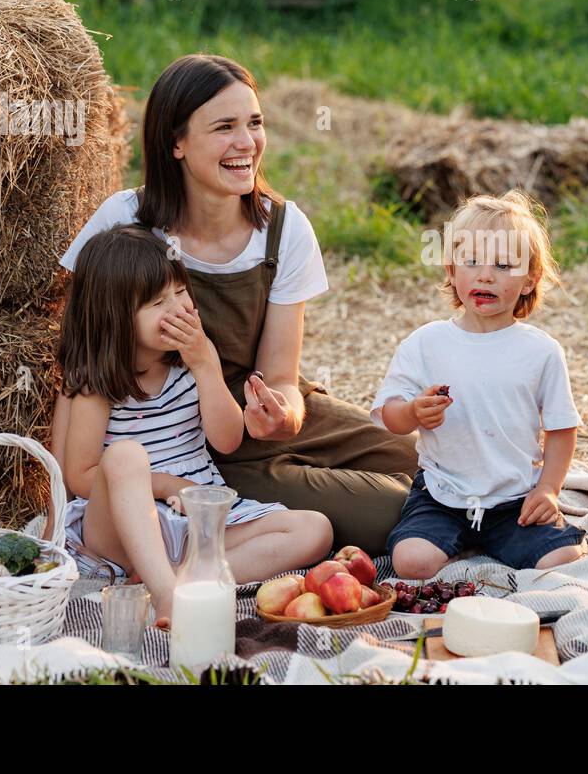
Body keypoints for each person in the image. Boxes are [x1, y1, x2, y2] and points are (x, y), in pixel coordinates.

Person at [51, 53, 419, 558]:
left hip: (258, 410)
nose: (247, 143)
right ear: (175, 143)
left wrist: (281, 414)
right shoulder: (126, 220)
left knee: (418, 461)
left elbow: (282, 378)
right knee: (394, 514)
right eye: (224, 127)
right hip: (200, 437)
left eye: (255, 123)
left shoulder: (285, 228)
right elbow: (81, 348)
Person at [58, 225, 332, 624]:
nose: (178, 308)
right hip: (121, 528)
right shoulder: (96, 382)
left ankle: (177, 582)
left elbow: (227, 440)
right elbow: (81, 476)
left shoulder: (191, 361)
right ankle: (168, 594)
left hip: (194, 519)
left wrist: (206, 364)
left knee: (314, 530)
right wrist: (170, 486)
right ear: (114, 316)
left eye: (181, 292)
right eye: (157, 302)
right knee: (125, 457)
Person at [370, 189, 588, 576]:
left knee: (562, 559)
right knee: (411, 562)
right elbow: (389, 416)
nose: (486, 274)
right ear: (452, 272)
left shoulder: (541, 352)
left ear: (529, 279)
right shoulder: (427, 342)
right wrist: (413, 412)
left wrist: (548, 490)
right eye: (472, 261)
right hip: (442, 493)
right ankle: (451, 540)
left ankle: (493, 541)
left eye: (504, 265)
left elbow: (561, 429)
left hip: (512, 500)